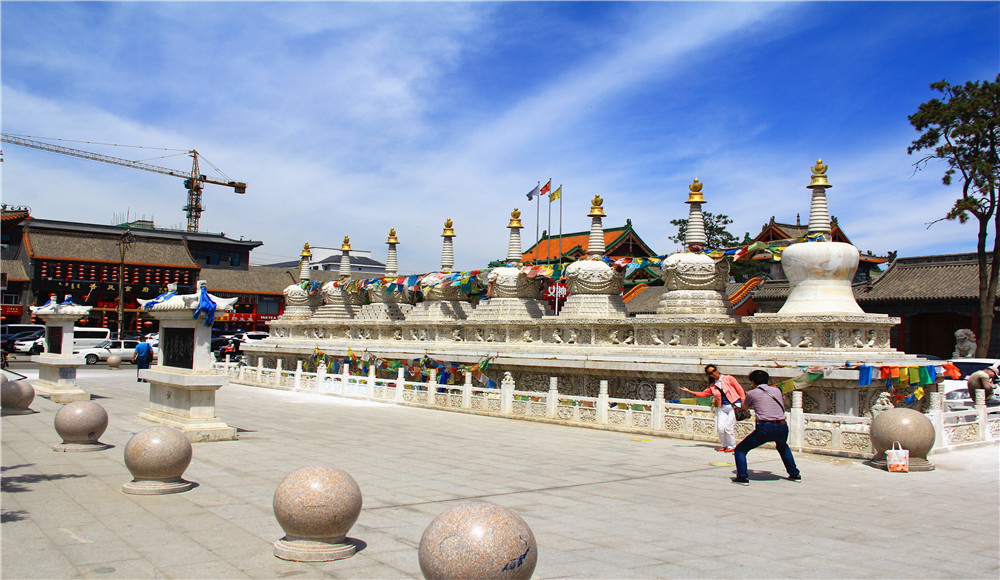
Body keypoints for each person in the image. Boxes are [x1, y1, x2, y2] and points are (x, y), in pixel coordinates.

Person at [732, 369, 801, 486]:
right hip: (782, 425)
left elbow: (744, 407)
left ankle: (742, 477)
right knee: (783, 447)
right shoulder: (777, 390)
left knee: (740, 450)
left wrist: (743, 397)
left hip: (765, 426)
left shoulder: (752, 393)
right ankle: (794, 473)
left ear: (753, 382)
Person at [679, 364, 746, 452]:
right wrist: (689, 391)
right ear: (709, 375)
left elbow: (740, 390)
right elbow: (703, 394)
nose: (714, 373)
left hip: (734, 405)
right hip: (723, 407)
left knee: (728, 427)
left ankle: (732, 445)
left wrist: (743, 402)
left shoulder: (729, 378)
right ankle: (724, 444)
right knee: (720, 428)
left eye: (714, 370)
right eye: (711, 372)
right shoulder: (713, 386)